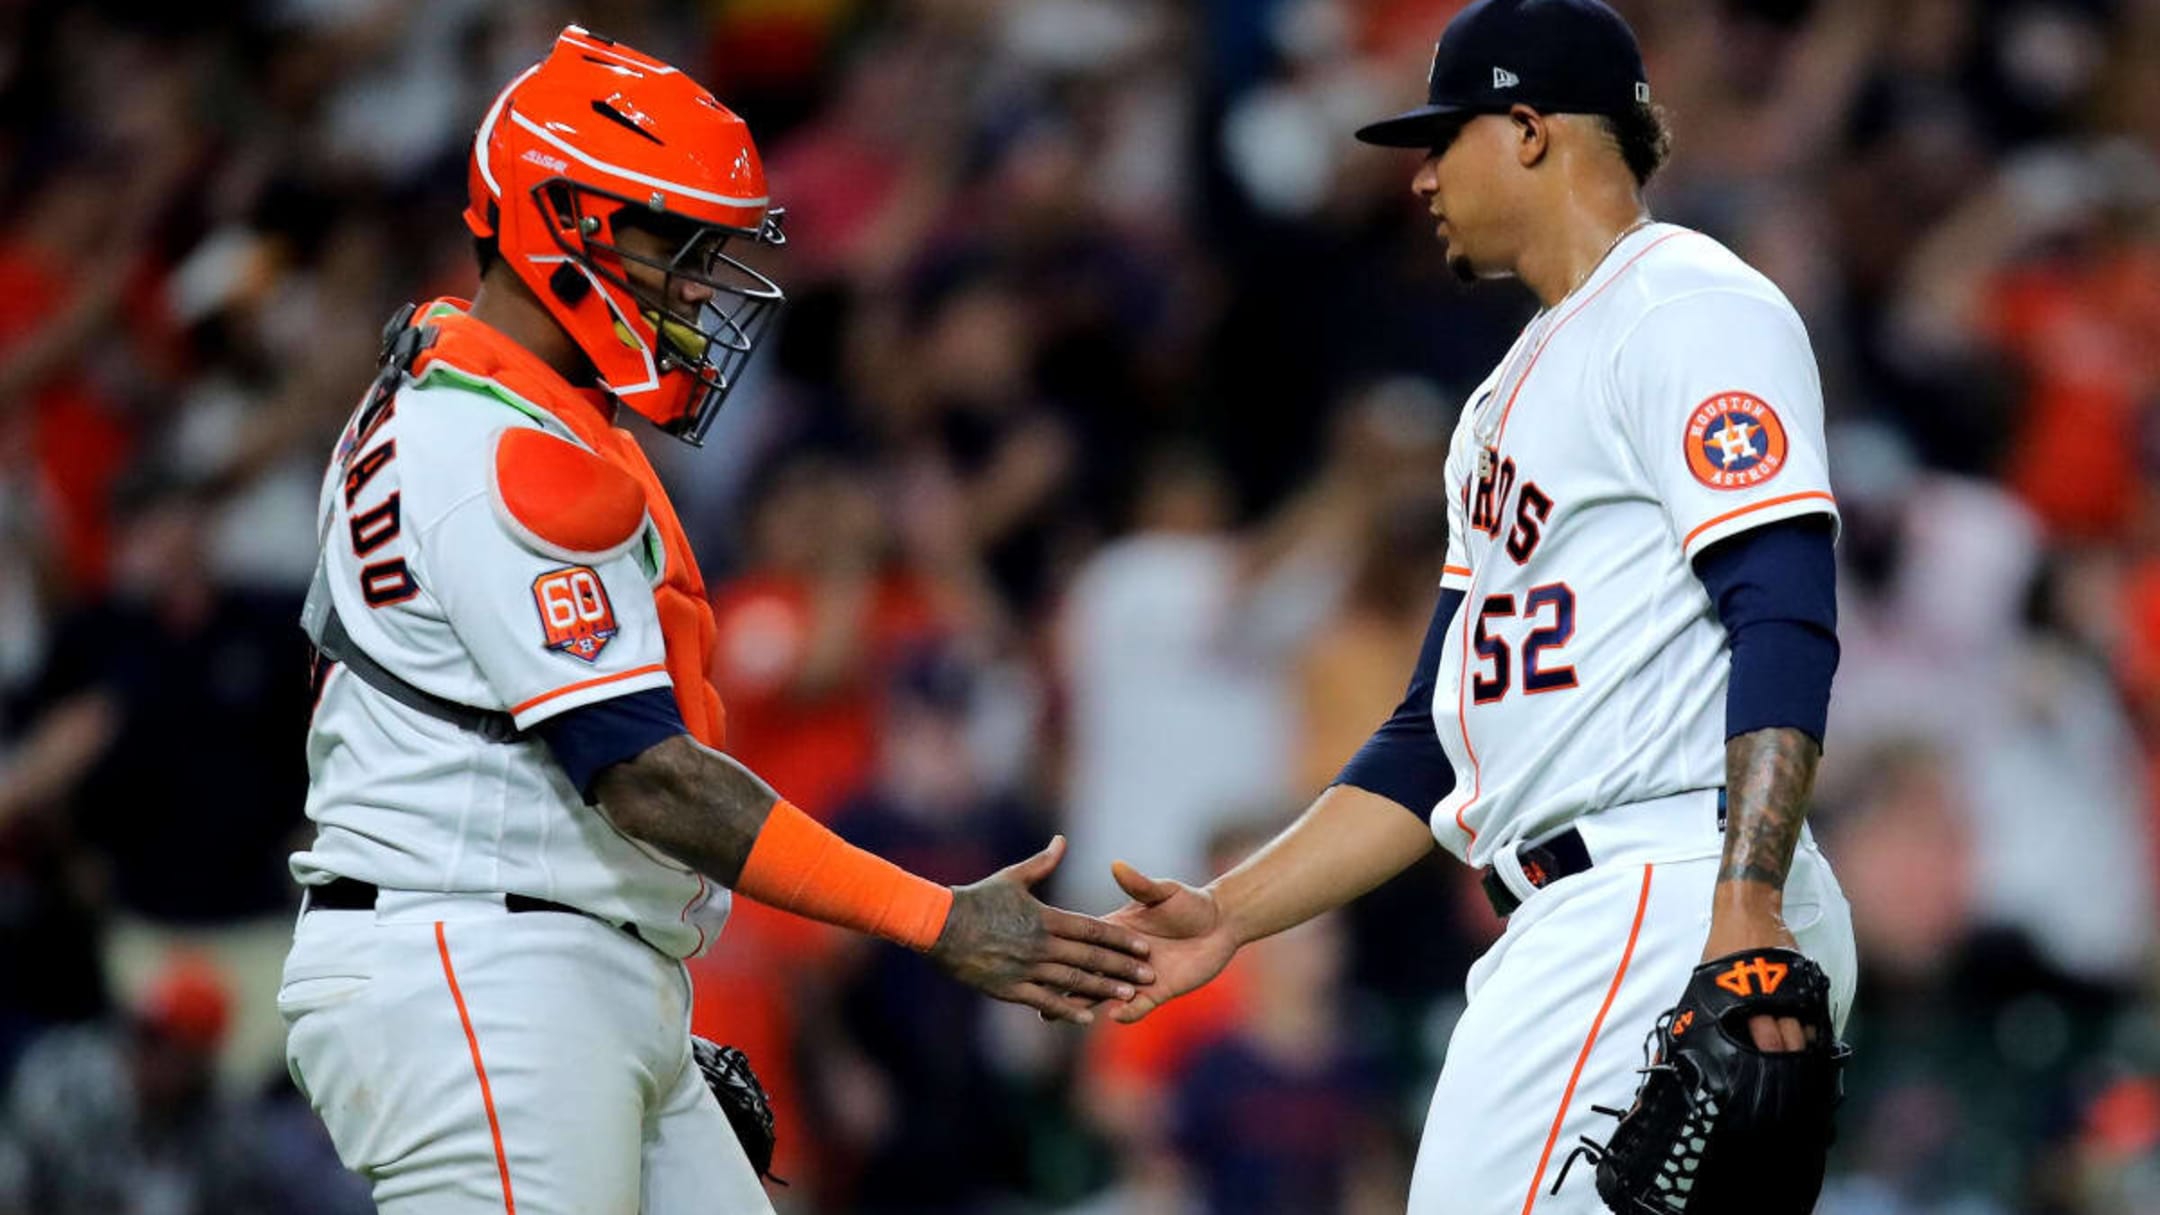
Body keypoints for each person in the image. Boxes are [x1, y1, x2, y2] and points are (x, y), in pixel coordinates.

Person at [279, 27, 1152, 1215]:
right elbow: (648, 779)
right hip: (483, 963)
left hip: (540, 952)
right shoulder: (497, 453)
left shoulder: (448, 383)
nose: (698, 286)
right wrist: (936, 916)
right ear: (565, 221)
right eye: (677, 245)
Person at [1096, 1, 1858, 1211]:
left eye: (1443, 139)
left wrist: (1745, 904)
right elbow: (1432, 744)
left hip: (1664, 890)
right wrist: (1231, 916)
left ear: (1530, 129)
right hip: (1595, 905)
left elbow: (1784, 611)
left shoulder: (1688, 308)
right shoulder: (1499, 402)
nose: (1421, 179)